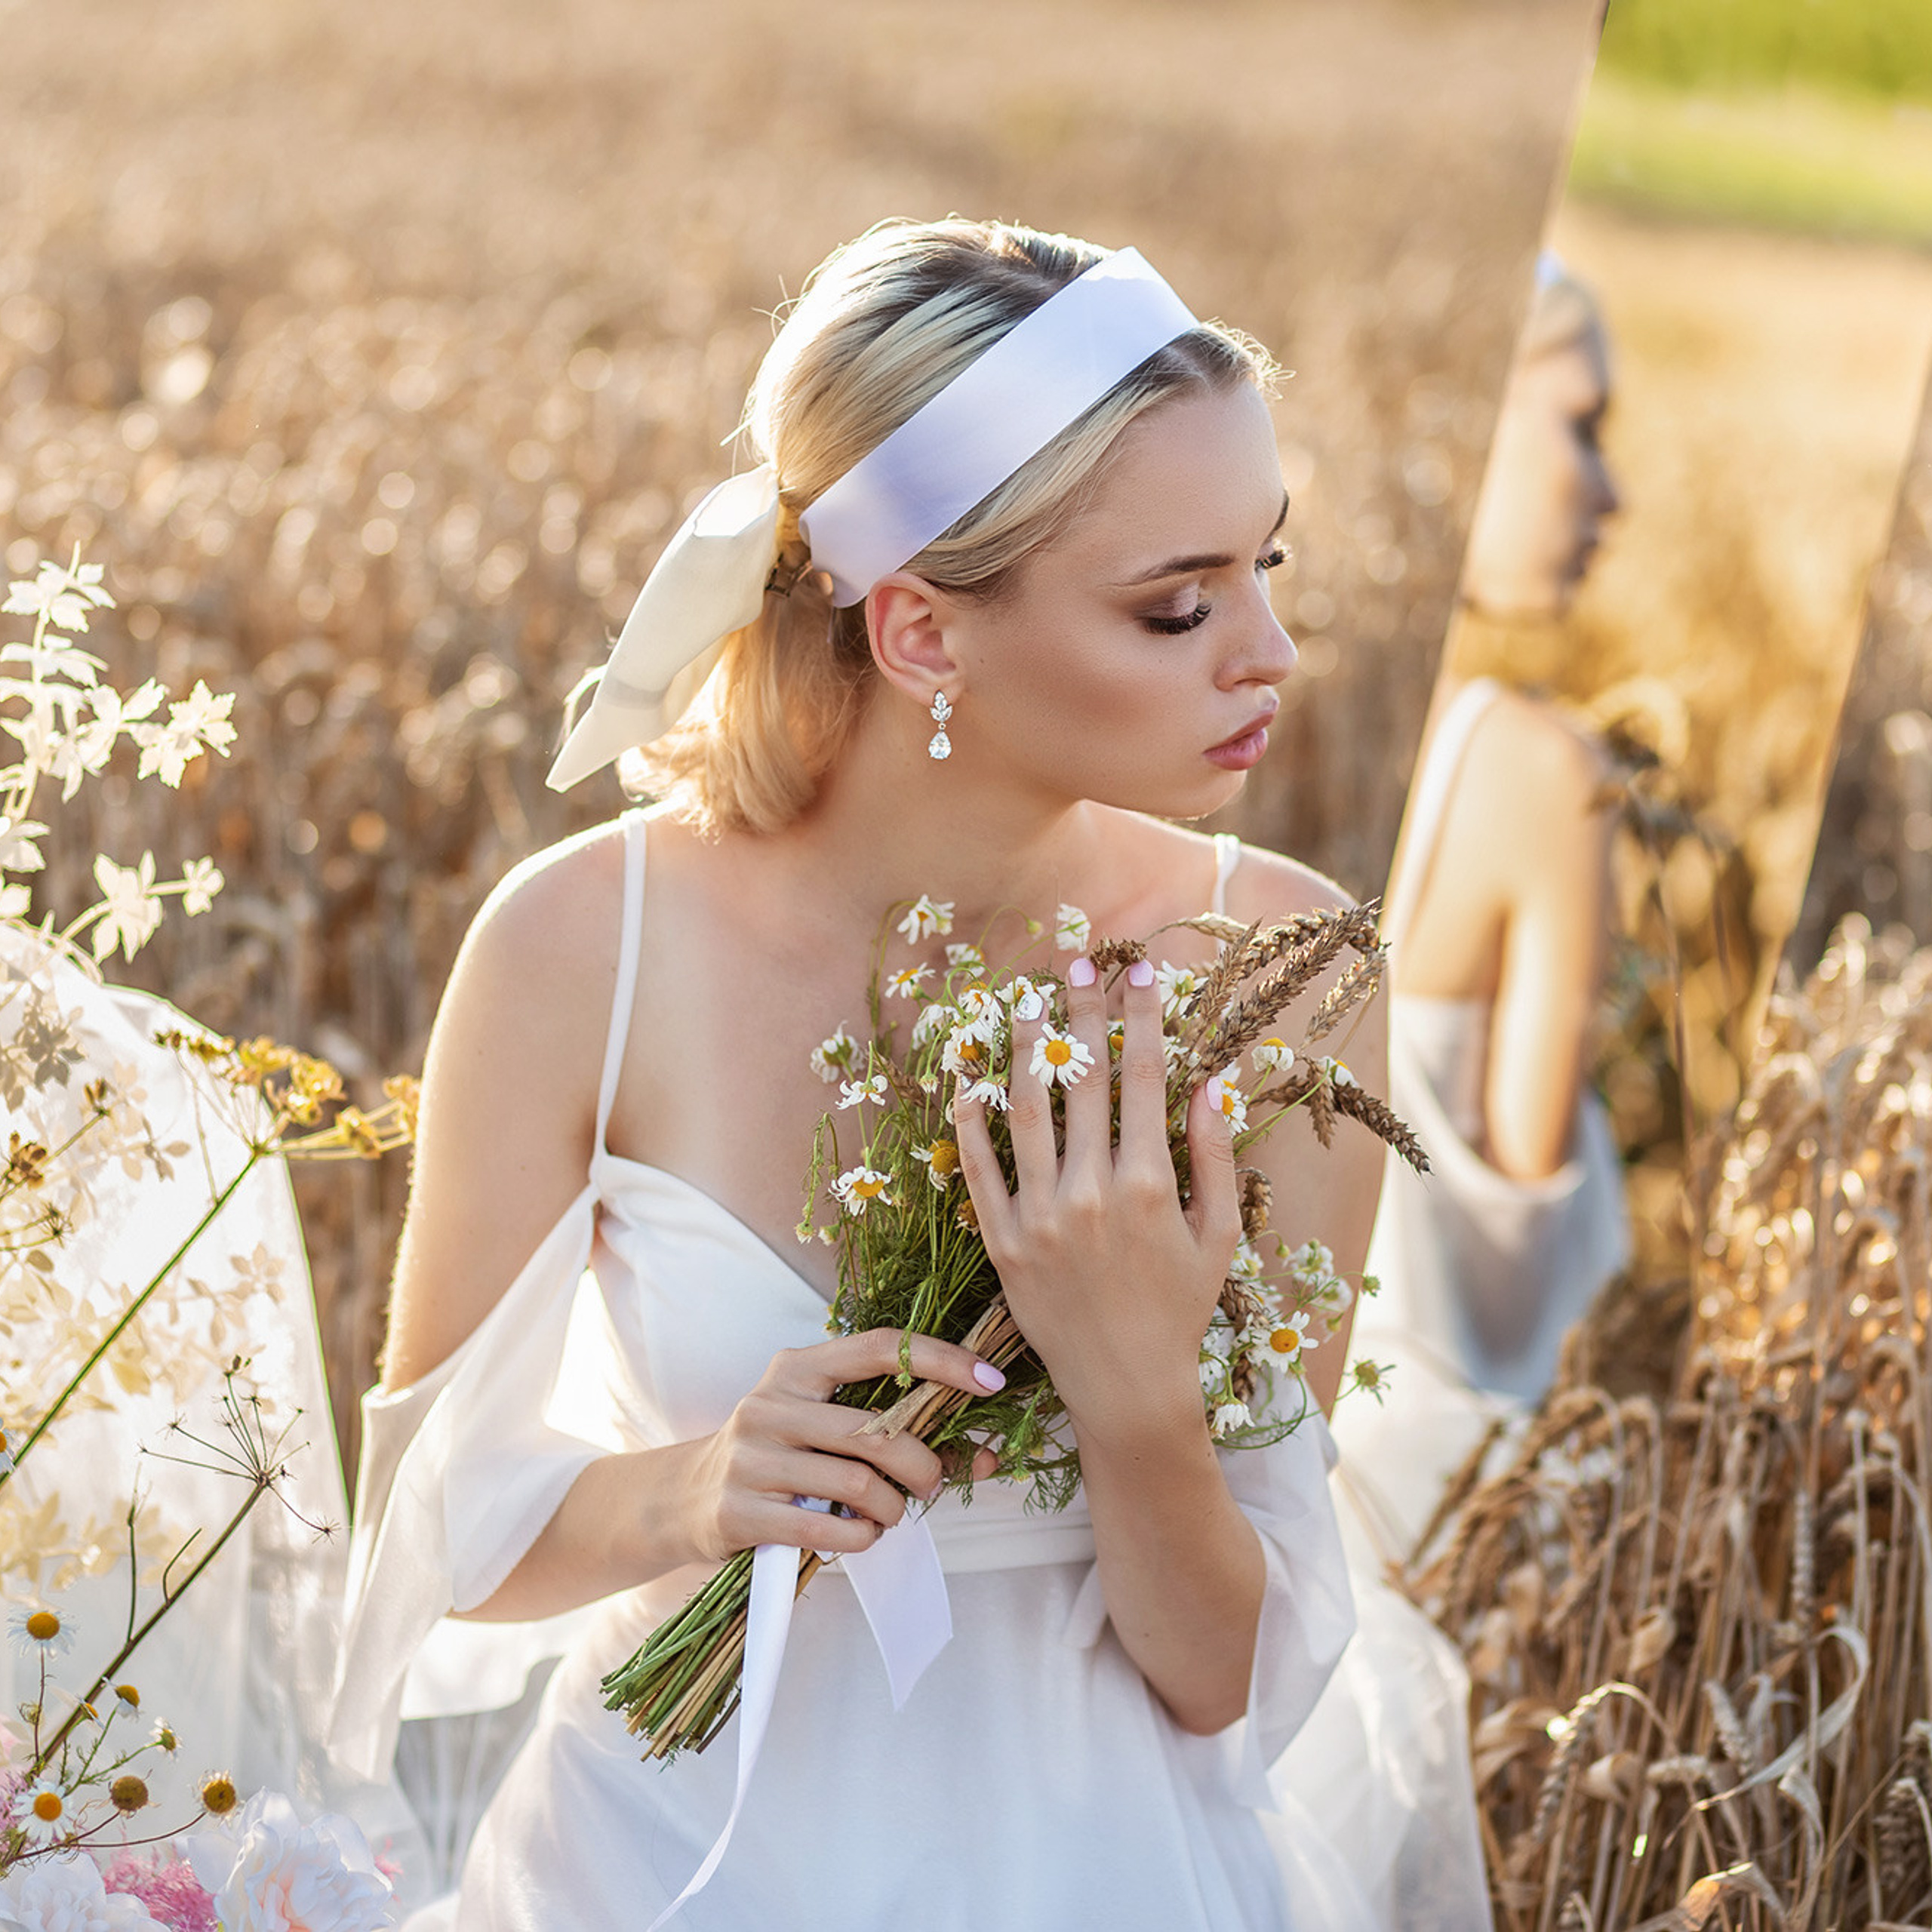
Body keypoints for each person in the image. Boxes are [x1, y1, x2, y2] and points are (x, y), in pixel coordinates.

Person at [328, 218, 1386, 1931]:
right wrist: (685, 1492)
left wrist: (1130, 1394)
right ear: (919, 635)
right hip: (661, 1860)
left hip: (1106, 1869)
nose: (1265, 650)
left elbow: (1226, 1682)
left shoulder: (1286, 970)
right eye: (1178, 603)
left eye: (1272, 568)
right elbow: (433, 1530)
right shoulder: (578, 946)